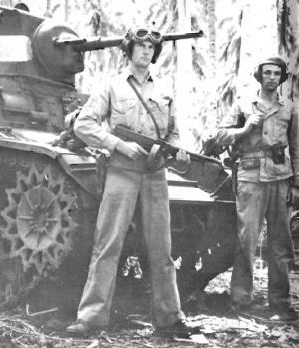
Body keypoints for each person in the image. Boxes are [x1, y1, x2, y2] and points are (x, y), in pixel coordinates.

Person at [66, 27, 199, 337]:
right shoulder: (112, 86)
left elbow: (173, 132)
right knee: (107, 244)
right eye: (140, 46)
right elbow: (84, 125)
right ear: (128, 51)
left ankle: (170, 318)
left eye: (151, 48)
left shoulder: (164, 89)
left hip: (154, 175)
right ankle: (91, 318)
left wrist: (177, 152)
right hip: (121, 172)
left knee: (161, 249)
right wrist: (117, 145)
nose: (146, 52)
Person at [212, 56, 299, 322]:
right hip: (249, 178)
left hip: (279, 178)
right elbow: (219, 136)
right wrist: (244, 128)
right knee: (245, 240)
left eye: (276, 73)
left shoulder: (290, 109)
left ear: (282, 78)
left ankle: (280, 302)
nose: (272, 77)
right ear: (259, 76)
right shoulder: (243, 105)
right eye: (267, 73)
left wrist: (296, 184)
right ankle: (240, 300)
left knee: (281, 243)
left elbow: (295, 149)